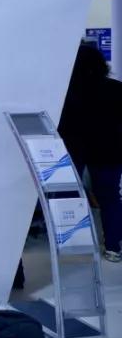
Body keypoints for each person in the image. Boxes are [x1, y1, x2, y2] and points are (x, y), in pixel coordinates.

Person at [58, 43, 122, 262]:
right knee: (110, 197)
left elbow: (61, 126)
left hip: (74, 151)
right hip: (109, 151)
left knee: (68, 195)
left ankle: (73, 242)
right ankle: (113, 246)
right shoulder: (116, 88)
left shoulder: (68, 92)